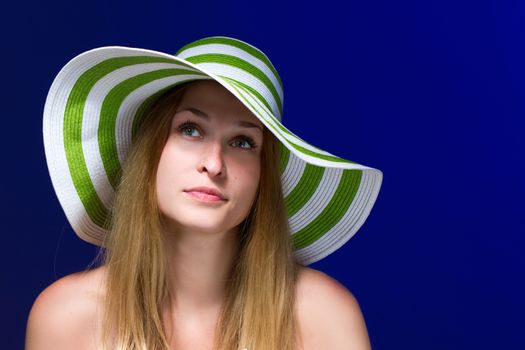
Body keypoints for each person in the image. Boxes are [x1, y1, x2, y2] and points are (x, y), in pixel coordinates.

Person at [26, 36, 383, 349]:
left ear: (264, 178)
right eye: (191, 130)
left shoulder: (322, 315)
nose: (214, 163)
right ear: (150, 152)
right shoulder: (66, 317)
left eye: (243, 142)